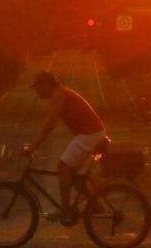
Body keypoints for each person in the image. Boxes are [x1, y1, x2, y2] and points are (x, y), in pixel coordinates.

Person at [23, 71, 106, 222]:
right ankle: (94, 205)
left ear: (47, 84)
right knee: (74, 175)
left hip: (89, 134)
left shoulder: (59, 95)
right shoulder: (61, 94)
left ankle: (65, 210)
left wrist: (33, 147)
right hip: (91, 134)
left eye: (38, 87)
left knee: (63, 167)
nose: (37, 91)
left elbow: (49, 124)